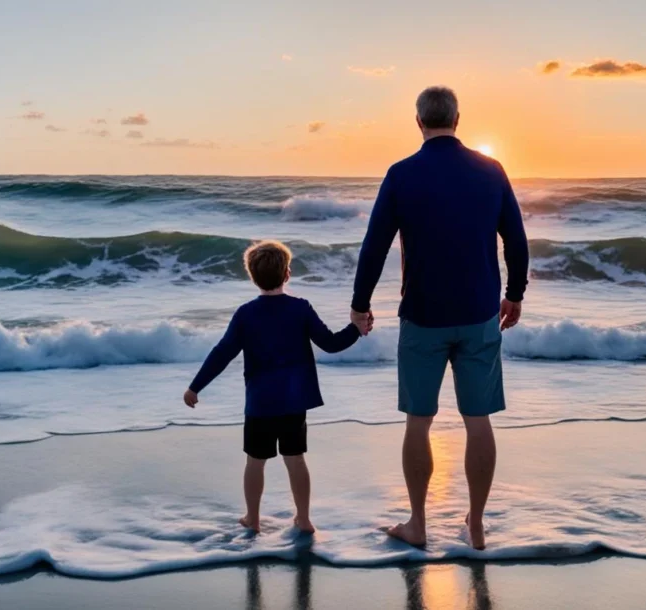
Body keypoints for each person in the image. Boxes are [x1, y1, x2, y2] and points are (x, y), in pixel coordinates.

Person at [350, 86, 529, 550]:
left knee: (418, 422)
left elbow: (374, 246)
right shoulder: (492, 170)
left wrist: (360, 303)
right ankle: (476, 526)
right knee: (478, 420)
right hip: (478, 315)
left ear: (418, 122)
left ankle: (418, 524)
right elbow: (516, 240)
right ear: (458, 118)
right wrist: (514, 294)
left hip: (423, 317)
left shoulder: (402, 174)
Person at [184, 240, 368, 534]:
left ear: (252, 276)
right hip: (294, 401)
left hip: (260, 404)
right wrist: (356, 330)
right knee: (295, 459)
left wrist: (195, 387)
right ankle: (304, 519)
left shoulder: (245, 314)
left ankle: (253, 519)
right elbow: (331, 344)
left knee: (255, 462)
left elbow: (223, 352)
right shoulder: (300, 309)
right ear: (287, 274)